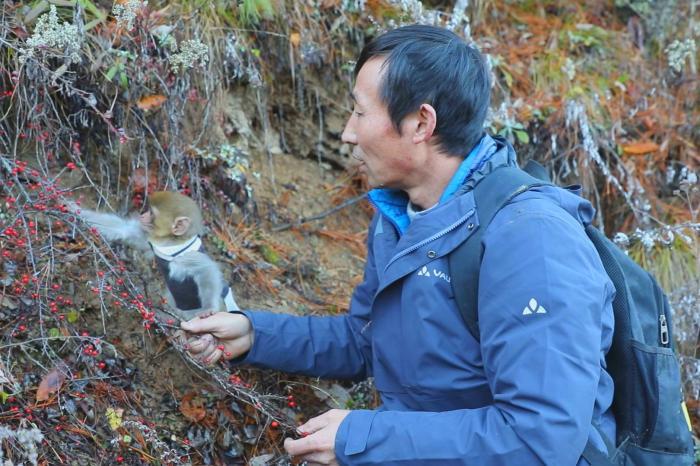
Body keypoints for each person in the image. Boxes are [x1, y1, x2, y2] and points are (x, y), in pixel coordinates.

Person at [181, 24, 616, 465]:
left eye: (360, 112)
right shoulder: (402, 216)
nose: (348, 133)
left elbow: (541, 439)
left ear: (421, 123)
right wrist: (256, 334)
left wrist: (364, 437)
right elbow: (367, 339)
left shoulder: (530, 239)